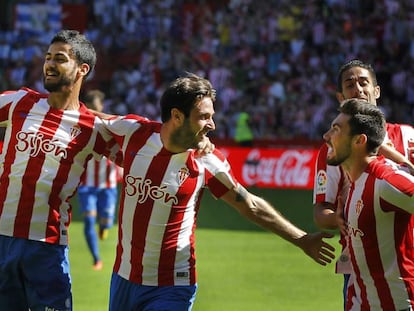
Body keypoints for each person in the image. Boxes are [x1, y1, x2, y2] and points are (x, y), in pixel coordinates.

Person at [100, 73, 336, 311]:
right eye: (204, 117)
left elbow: (250, 205)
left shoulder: (208, 162)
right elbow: (88, 120)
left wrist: (302, 239)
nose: (212, 124)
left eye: (211, 117)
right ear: (177, 116)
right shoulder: (135, 133)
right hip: (123, 278)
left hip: (172, 285)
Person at [0, 30, 117, 311]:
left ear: (82, 70)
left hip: (46, 249)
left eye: (60, 59)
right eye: (48, 57)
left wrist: (197, 143)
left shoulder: (92, 128)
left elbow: (145, 144)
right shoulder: (20, 102)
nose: (49, 64)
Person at [313, 59, 414, 308]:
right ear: (341, 97)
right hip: (360, 259)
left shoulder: (408, 136)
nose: (357, 89)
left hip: (406, 259)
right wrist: (339, 218)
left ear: (376, 91)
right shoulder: (333, 149)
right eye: (349, 85)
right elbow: (321, 210)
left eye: (363, 82)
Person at [78, 89, 122, 271]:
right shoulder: (80, 127)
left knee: (107, 220)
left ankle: (104, 226)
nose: (95, 111)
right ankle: (96, 258)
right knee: (89, 220)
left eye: (97, 107)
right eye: (92, 108)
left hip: (108, 185)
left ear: (101, 107)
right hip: (87, 186)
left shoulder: (112, 126)